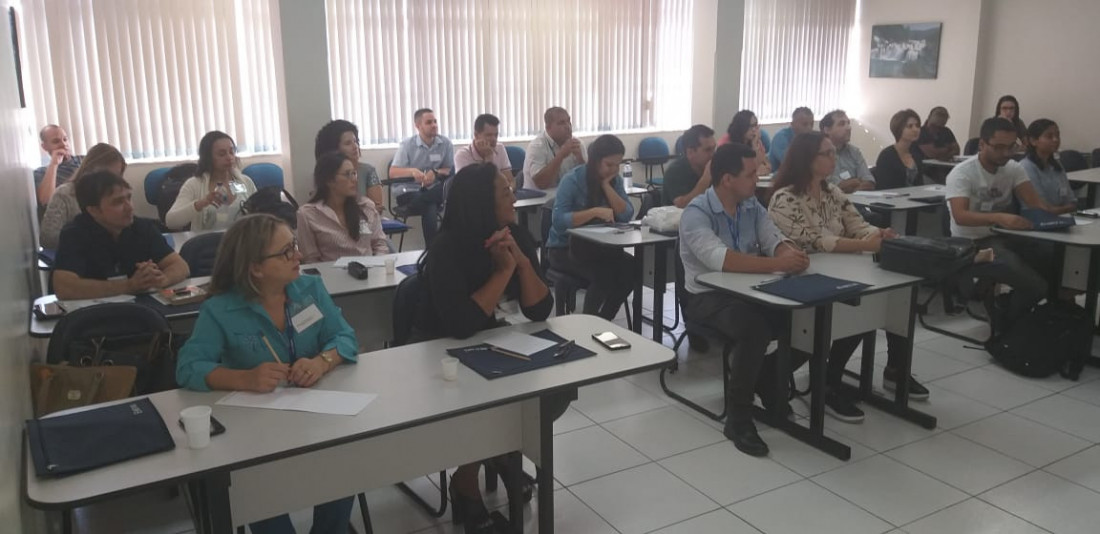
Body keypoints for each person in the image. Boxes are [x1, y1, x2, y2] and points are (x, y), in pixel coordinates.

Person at [176, 213, 357, 534]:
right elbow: (188, 367)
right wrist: (244, 378)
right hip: (253, 430)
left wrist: (321, 362)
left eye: (295, 245)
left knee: (345, 463)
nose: (298, 255)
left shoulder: (310, 288)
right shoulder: (220, 309)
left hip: (315, 416)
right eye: (286, 251)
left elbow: (344, 336)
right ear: (255, 268)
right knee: (259, 493)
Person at [413, 162, 550, 532]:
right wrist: (503, 272)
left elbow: (540, 310)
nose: (514, 197)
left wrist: (522, 264)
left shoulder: (514, 234)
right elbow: (460, 326)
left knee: (544, 392)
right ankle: (468, 478)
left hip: (499, 342)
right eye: (505, 192)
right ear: (481, 204)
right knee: (485, 399)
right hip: (443, 352)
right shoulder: (447, 248)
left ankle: (502, 452)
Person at [769, 132, 929, 421]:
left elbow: (857, 225)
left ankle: (839, 376)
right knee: (848, 311)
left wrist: (878, 234)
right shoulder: (785, 198)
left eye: (833, 152)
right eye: (827, 153)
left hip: (842, 268)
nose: (834, 158)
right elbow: (816, 241)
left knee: (872, 308)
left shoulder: (832, 192)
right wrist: (867, 245)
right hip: (802, 276)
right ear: (808, 159)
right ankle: (823, 383)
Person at [679, 142, 809, 456]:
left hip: (751, 290)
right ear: (727, 179)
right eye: (751, 174)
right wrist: (779, 264)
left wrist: (789, 253)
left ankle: (765, 380)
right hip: (707, 297)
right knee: (754, 328)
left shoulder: (751, 205)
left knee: (806, 319)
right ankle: (739, 417)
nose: (758, 179)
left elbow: (773, 238)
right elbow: (721, 260)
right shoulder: (696, 213)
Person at [947, 117, 1058, 324]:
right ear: (982, 144)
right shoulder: (962, 173)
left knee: (1055, 263)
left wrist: (1065, 216)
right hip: (972, 244)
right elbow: (960, 216)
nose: (1006, 153)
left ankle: (1017, 311)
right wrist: (998, 217)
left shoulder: (1013, 168)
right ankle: (1005, 322)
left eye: (1011, 147)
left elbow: (1035, 204)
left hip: (1006, 237)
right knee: (1035, 285)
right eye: (999, 147)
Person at [52, 171, 190, 300]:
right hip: (93, 313)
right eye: (118, 202)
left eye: (129, 198)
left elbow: (180, 266)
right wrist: (129, 286)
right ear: (93, 210)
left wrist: (161, 279)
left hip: (141, 309)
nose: (129, 207)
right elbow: (64, 288)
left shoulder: (143, 227)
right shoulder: (74, 234)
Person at [546, 135, 637, 320]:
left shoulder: (615, 181)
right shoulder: (572, 180)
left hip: (601, 248)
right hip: (564, 249)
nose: (614, 169)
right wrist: (594, 212)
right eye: (609, 164)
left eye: (617, 165)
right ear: (595, 161)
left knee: (633, 269)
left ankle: (604, 319)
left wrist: (606, 186)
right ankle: (589, 324)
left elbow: (626, 214)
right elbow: (559, 221)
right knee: (603, 274)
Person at [297, 151, 388, 263]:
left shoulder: (366, 206)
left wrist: (377, 265)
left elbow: (380, 245)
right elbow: (310, 259)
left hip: (369, 270)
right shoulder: (308, 214)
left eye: (354, 173)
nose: (354, 179)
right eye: (347, 174)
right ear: (329, 180)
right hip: (330, 272)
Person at [165, 131, 257, 231]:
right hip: (208, 240)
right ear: (208, 158)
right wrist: (201, 204)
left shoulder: (244, 182)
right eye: (222, 154)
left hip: (241, 239)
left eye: (231, 152)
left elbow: (260, 214)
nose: (229, 157)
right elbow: (171, 222)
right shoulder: (194, 184)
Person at [40, 143, 126, 249]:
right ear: (91, 170)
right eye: (107, 175)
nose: (112, 181)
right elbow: (47, 238)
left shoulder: (117, 195)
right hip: (79, 253)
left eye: (116, 176)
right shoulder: (65, 194)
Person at [390, 108, 455, 246]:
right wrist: (412, 171)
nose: (434, 125)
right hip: (409, 191)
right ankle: (434, 249)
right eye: (429, 122)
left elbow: (449, 169)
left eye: (435, 121)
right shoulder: (407, 145)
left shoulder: (445, 143)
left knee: (445, 189)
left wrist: (435, 172)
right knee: (430, 205)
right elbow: (393, 172)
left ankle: (431, 250)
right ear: (418, 126)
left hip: (433, 189)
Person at [314, 119, 384, 213]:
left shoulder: (367, 170)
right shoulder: (327, 174)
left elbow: (377, 209)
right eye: (348, 143)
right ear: (334, 149)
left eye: (355, 141)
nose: (355, 146)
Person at [1019, 119, 1078, 215]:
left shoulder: (1056, 165)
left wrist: (1063, 208)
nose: (1056, 140)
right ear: (1033, 141)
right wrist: (1065, 209)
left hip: (1061, 217)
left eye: (1057, 135)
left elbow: (1071, 201)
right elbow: (1042, 208)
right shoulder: (1026, 166)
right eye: (1049, 136)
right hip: (1037, 219)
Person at [523, 106, 585, 190]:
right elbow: (541, 184)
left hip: (567, 195)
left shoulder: (577, 144)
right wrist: (561, 155)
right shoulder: (536, 146)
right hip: (539, 196)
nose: (568, 126)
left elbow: (587, 180)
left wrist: (580, 158)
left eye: (568, 121)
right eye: (561, 123)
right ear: (548, 128)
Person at [819, 110, 875, 193]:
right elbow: (828, 188)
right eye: (842, 124)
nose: (849, 128)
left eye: (848, 123)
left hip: (856, 200)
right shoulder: (819, 154)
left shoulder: (855, 151)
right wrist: (855, 181)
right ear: (827, 130)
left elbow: (869, 182)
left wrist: (852, 191)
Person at [661, 124, 716, 208]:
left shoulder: (718, 166)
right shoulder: (674, 172)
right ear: (690, 153)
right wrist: (706, 178)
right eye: (708, 150)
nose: (713, 154)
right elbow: (682, 205)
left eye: (714, 149)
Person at [454, 113, 514, 186]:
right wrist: (488, 158)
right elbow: (469, 187)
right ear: (476, 135)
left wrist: (508, 190)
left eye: (496, 135)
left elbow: (510, 181)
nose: (494, 139)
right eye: (489, 135)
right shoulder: (462, 155)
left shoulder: (499, 148)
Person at [34, 124, 84, 206]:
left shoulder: (84, 160)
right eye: (56, 141)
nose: (64, 144)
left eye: (65, 139)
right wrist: (54, 164)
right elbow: (45, 200)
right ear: (44, 147)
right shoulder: (41, 172)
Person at [875, 109, 926, 190]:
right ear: (899, 129)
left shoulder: (916, 154)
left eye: (917, 125)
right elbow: (883, 186)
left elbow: (920, 185)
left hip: (916, 196)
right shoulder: (887, 156)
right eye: (910, 126)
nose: (915, 129)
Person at [722, 110, 771, 176]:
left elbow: (767, 165)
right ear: (741, 126)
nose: (754, 129)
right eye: (750, 126)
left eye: (755, 125)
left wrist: (754, 146)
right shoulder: (727, 142)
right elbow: (734, 170)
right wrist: (756, 170)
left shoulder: (755, 140)